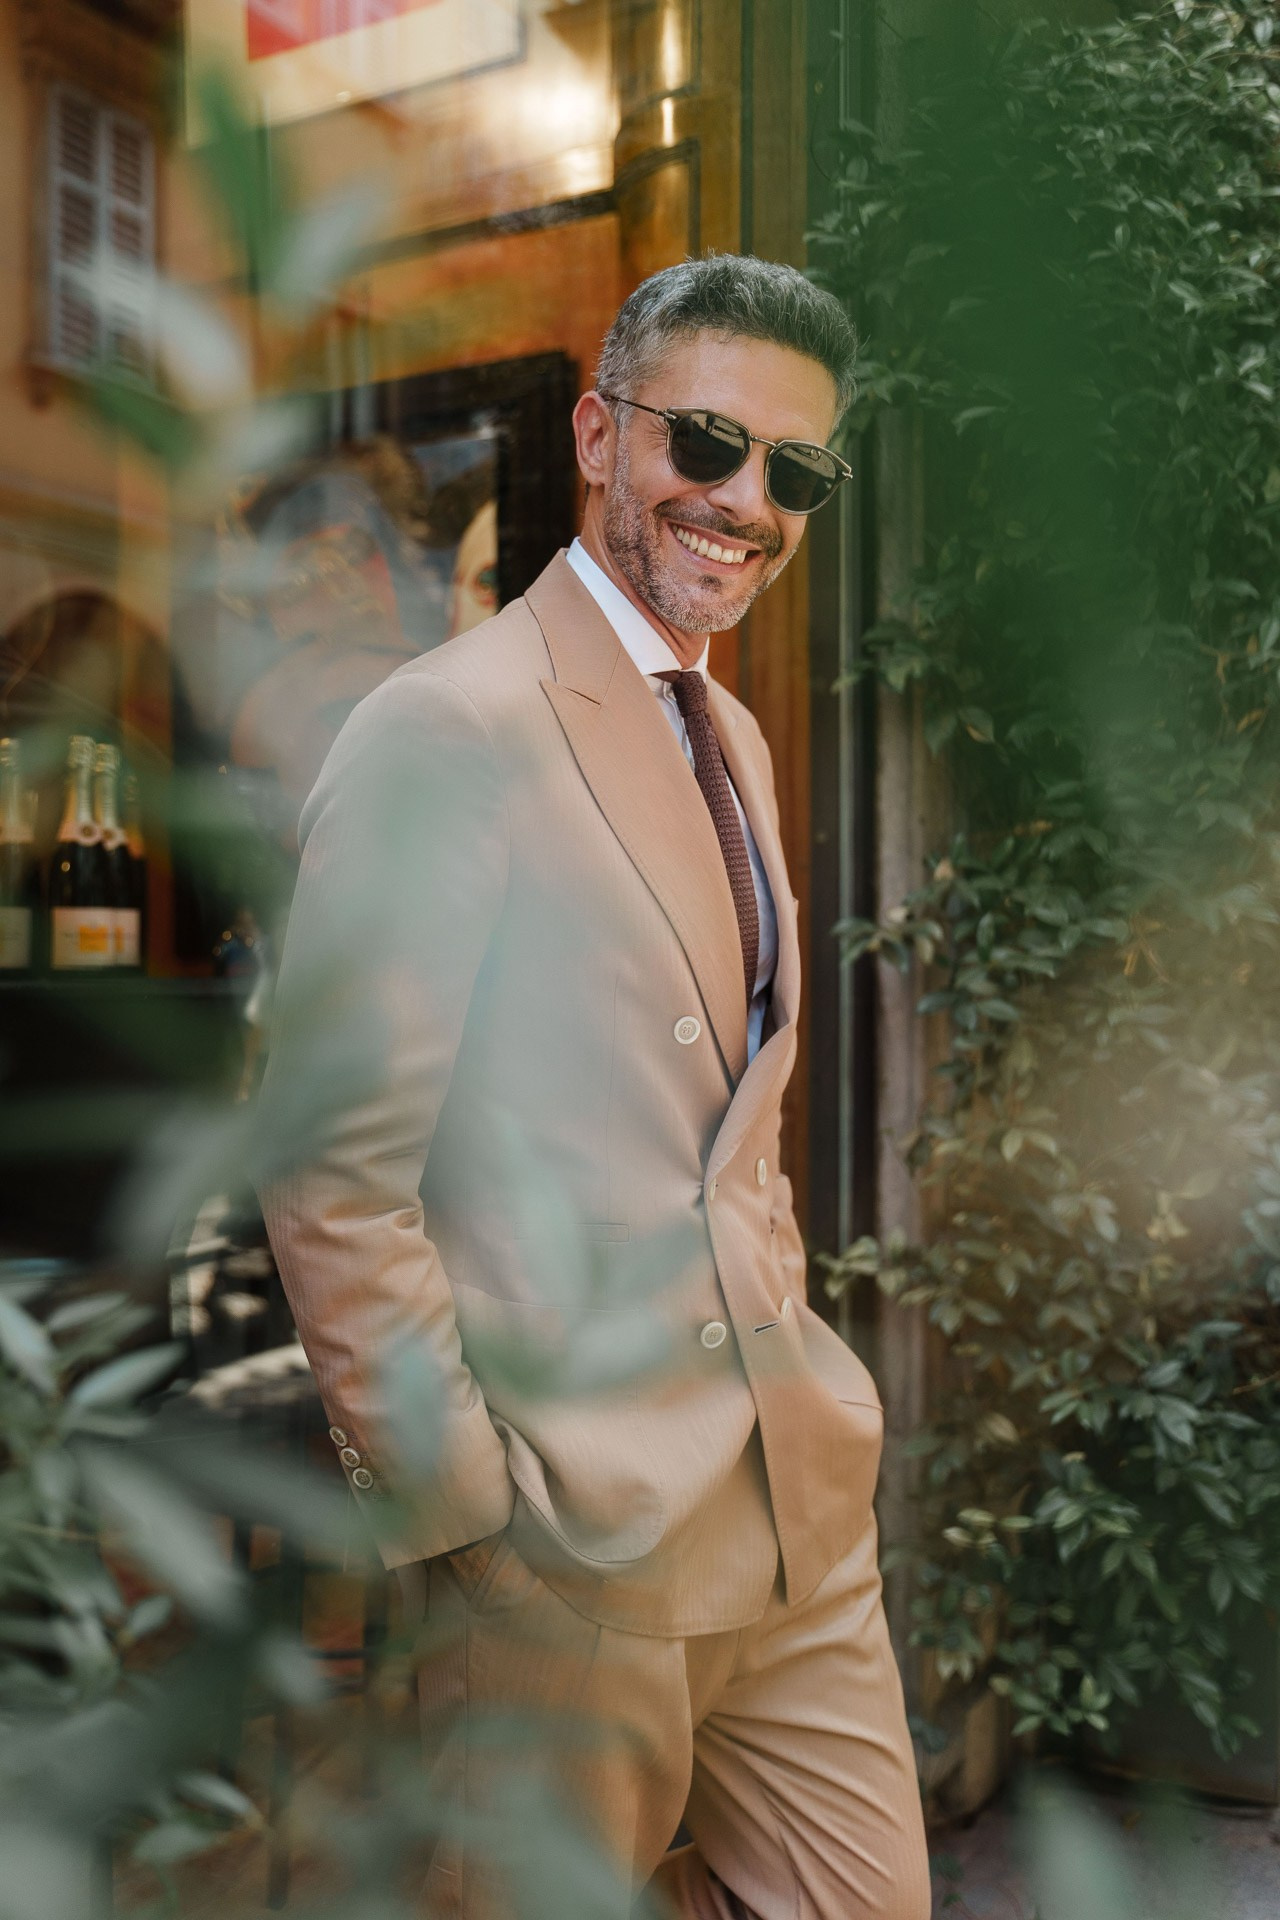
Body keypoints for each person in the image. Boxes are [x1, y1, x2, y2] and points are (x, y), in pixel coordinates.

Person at [258, 254, 930, 1920]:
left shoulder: (737, 734)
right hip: (567, 1540)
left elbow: (727, 1139)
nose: (746, 500)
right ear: (598, 434)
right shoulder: (448, 726)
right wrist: (474, 1522)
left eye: (798, 471)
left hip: (794, 1504)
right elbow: (336, 1170)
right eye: (705, 440)